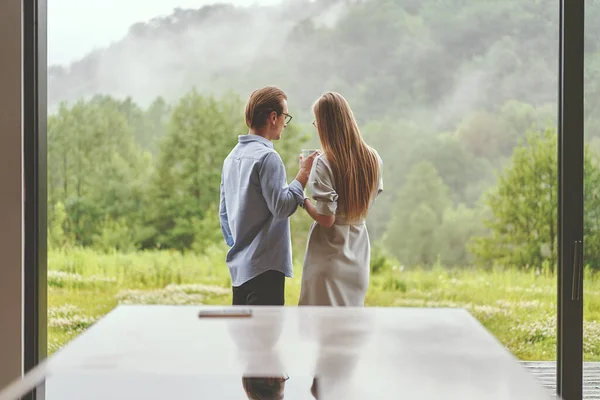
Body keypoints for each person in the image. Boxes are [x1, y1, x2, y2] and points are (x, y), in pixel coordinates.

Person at [219, 86, 319, 306]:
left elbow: (224, 216)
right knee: (265, 339)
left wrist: (241, 247)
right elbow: (282, 208)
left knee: (244, 338)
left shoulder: (231, 158)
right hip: (264, 269)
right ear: (273, 117)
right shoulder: (268, 157)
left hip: (239, 271)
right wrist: (303, 175)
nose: (285, 122)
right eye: (286, 116)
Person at [298, 92, 383, 307]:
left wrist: (303, 198)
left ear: (326, 125)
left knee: (320, 328)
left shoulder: (324, 162)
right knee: (348, 328)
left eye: (317, 123)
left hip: (329, 253)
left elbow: (327, 219)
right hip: (358, 250)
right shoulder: (373, 158)